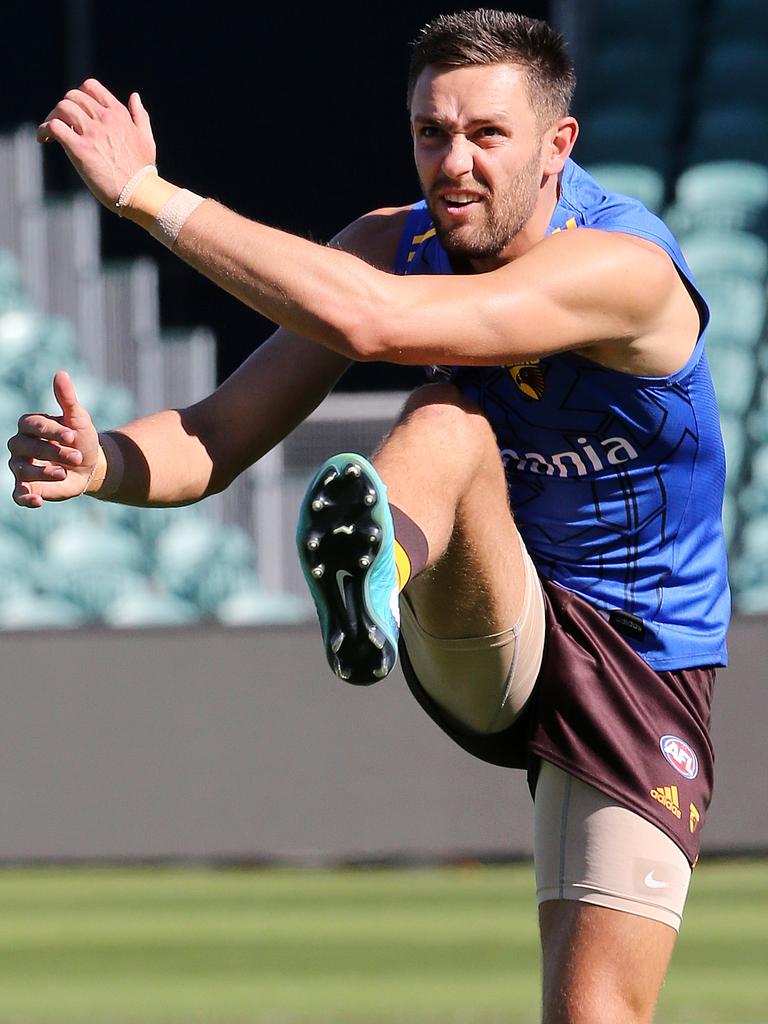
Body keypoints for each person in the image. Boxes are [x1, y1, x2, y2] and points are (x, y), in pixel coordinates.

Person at [8, 9, 729, 1022]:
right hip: (491, 615)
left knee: (597, 1012)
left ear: (559, 146)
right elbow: (220, 433)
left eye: (488, 135)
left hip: (647, 654)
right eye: (432, 133)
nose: (456, 162)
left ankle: (376, 561)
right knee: (452, 417)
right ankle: (371, 581)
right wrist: (107, 461)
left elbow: (374, 320)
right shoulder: (392, 246)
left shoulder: (625, 271)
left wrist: (148, 196)